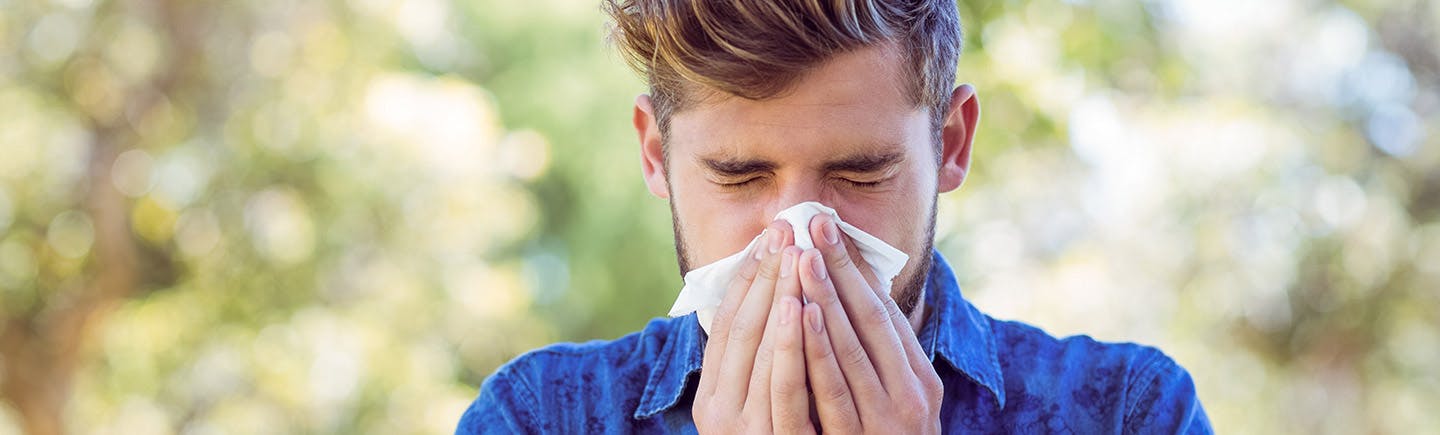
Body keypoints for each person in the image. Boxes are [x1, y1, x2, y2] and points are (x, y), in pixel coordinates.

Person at [457, 0, 1212, 432]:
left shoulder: (1127, 412)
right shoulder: (540, 417)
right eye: (739, 175)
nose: (800, 236)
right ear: (656, 156)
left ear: (950, 144)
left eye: (860, 172)